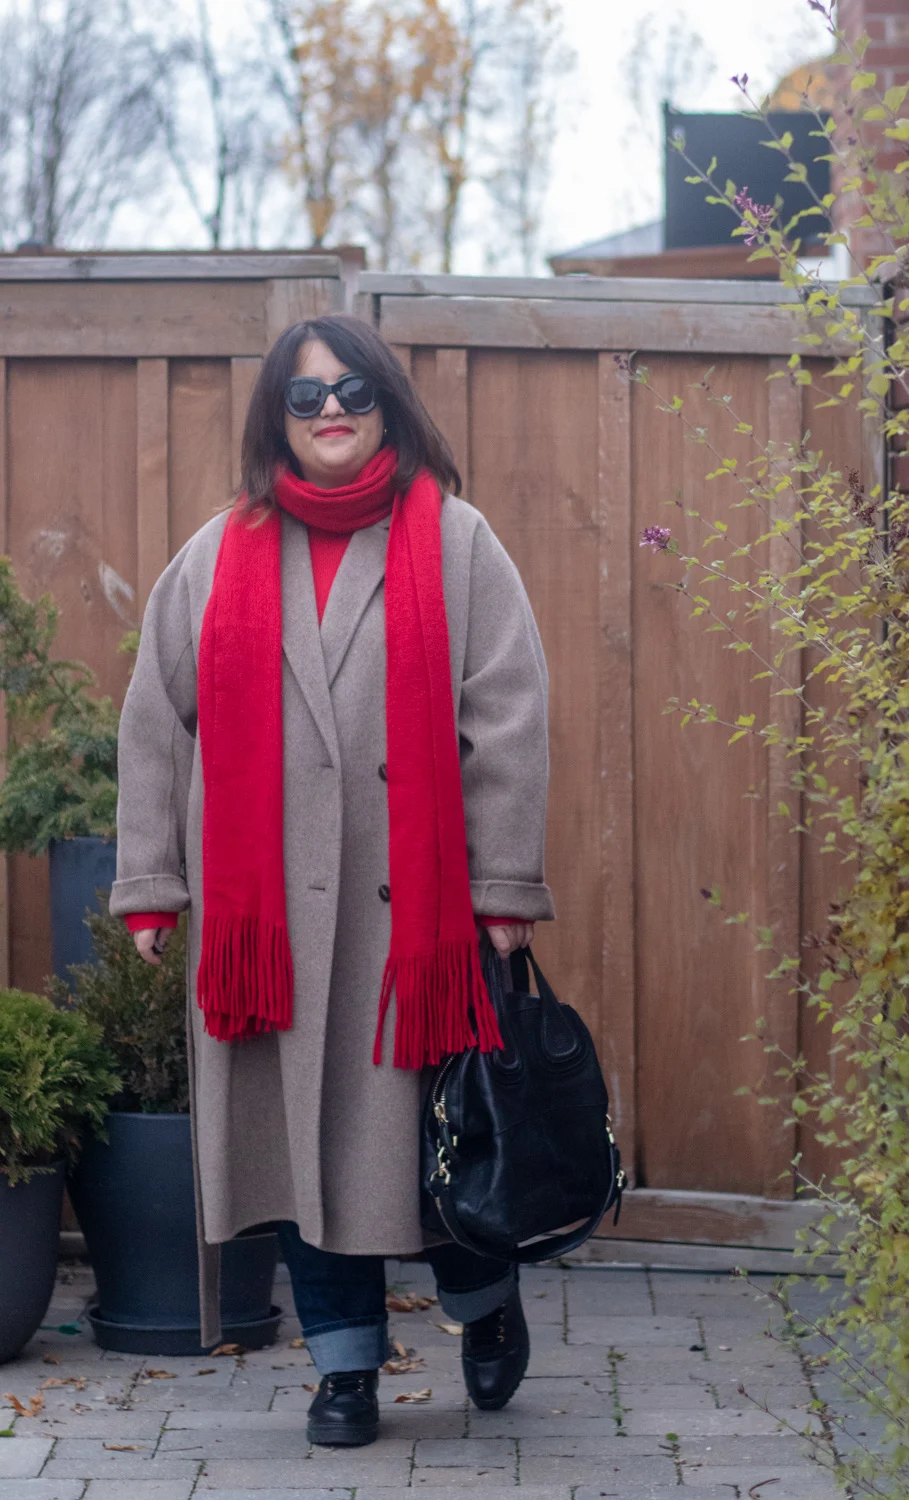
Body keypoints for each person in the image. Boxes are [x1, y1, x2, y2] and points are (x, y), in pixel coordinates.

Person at [110, 314, 554, 1448]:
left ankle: (483, 1305)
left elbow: (510, 717)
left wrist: (505, 888)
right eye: (304, 399)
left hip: (420, 928)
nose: (330, 412)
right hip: (275, 937)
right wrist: (152, 882)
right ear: (278, 420)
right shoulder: (217, 556)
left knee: (432, 1145)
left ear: (386, 400)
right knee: (303, 1154)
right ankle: (344, 1370)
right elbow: (155, 720)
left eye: (349, 389)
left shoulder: (457, 543)